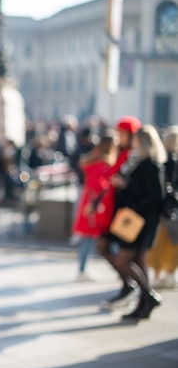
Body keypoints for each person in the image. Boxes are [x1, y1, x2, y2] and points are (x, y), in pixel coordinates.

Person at [104, 125, 166, 319]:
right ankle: (144, 303)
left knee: (123, 259)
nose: (133, 143)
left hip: (140, 220)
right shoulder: (142, 162)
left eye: (136, 140)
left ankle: (148, 296)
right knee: (139, 261)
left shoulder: (151, 164)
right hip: (138, 218)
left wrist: (130, 191)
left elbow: (156, 195)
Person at [95, 116, 141, 307]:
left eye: (122, 134)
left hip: (126, 212)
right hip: (115, 209)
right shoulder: (121, 152)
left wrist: (123, 184)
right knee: (106, 247)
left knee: (128, 256)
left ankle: (141, 291)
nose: (119, 137)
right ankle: (129, 286)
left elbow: (139, 185)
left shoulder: (133, 155)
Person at [70, 132, 117, 281]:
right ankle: (83, 271)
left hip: (90, 202)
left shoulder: (93, 159)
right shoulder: (102, 163)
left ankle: (83, 270)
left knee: (89, 239)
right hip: (95, 204)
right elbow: (99, 184)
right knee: (91, 238)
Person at [147, 125, 178, 289]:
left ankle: (158, 275)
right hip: (171, 208)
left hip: (160, 207)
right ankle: (169, 275)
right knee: (172, 242)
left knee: (159, 242)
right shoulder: (173, 160)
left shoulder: (160, 158)